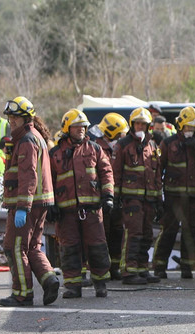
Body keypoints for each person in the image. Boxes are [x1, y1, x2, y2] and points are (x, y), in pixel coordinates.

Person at [0, 96, 60, 307]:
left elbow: (28, 175)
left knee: (14, 247)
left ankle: (22, 294)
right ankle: (49, 279)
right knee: (32, 246)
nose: (11, 121)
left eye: (15, 117)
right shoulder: (33, 137)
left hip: (27, 204)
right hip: (38, 203)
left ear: (26, 118)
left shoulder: (26, 141)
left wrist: (22, 207)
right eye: (10, 117)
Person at [48, 109, 114, 298]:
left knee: (97, 246)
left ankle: (100, 284)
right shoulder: (55, 153)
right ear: (67, 128)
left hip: (92, 210)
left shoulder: (95, 149)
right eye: (77, 127)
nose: (81, 130)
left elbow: (106, 172)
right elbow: (48, 180)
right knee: (69, 248)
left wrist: (108, 196)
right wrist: (51, 204)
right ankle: (73, 286)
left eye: (83, 127)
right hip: (66, 212)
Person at [153, 106, 195, 279]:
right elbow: (159, 168)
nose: (191, 131)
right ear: (181, 126)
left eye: (194, 128)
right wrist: (158, 194)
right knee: (169, 231)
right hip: (173, 196)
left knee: (191, 232)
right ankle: (159, 266)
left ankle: (187, 267)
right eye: (188, 127)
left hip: (194, 197)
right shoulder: (168, 143)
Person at [111, 107, 162, 285]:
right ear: (132, 125)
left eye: (144, 124)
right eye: (137, 123)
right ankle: (129, 271)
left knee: (147, 235)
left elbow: (156, 174)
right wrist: (114, 198)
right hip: (130, 199)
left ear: (148, 126)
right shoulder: (123, 145)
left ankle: (142, 269)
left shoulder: (152, 146)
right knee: (133, 234)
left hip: (148, 200)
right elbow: (115, 173)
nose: (140, 126)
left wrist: (158, 198)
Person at [88, 112, 129, 280]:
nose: (123, 137)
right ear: (111, 133)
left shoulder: (120, 148)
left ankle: (114, 267)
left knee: (117, 233)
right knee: (101, 235)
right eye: (121, 134)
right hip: (101, 198)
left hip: (118, 197)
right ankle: (99, 270)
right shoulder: (95, 148)